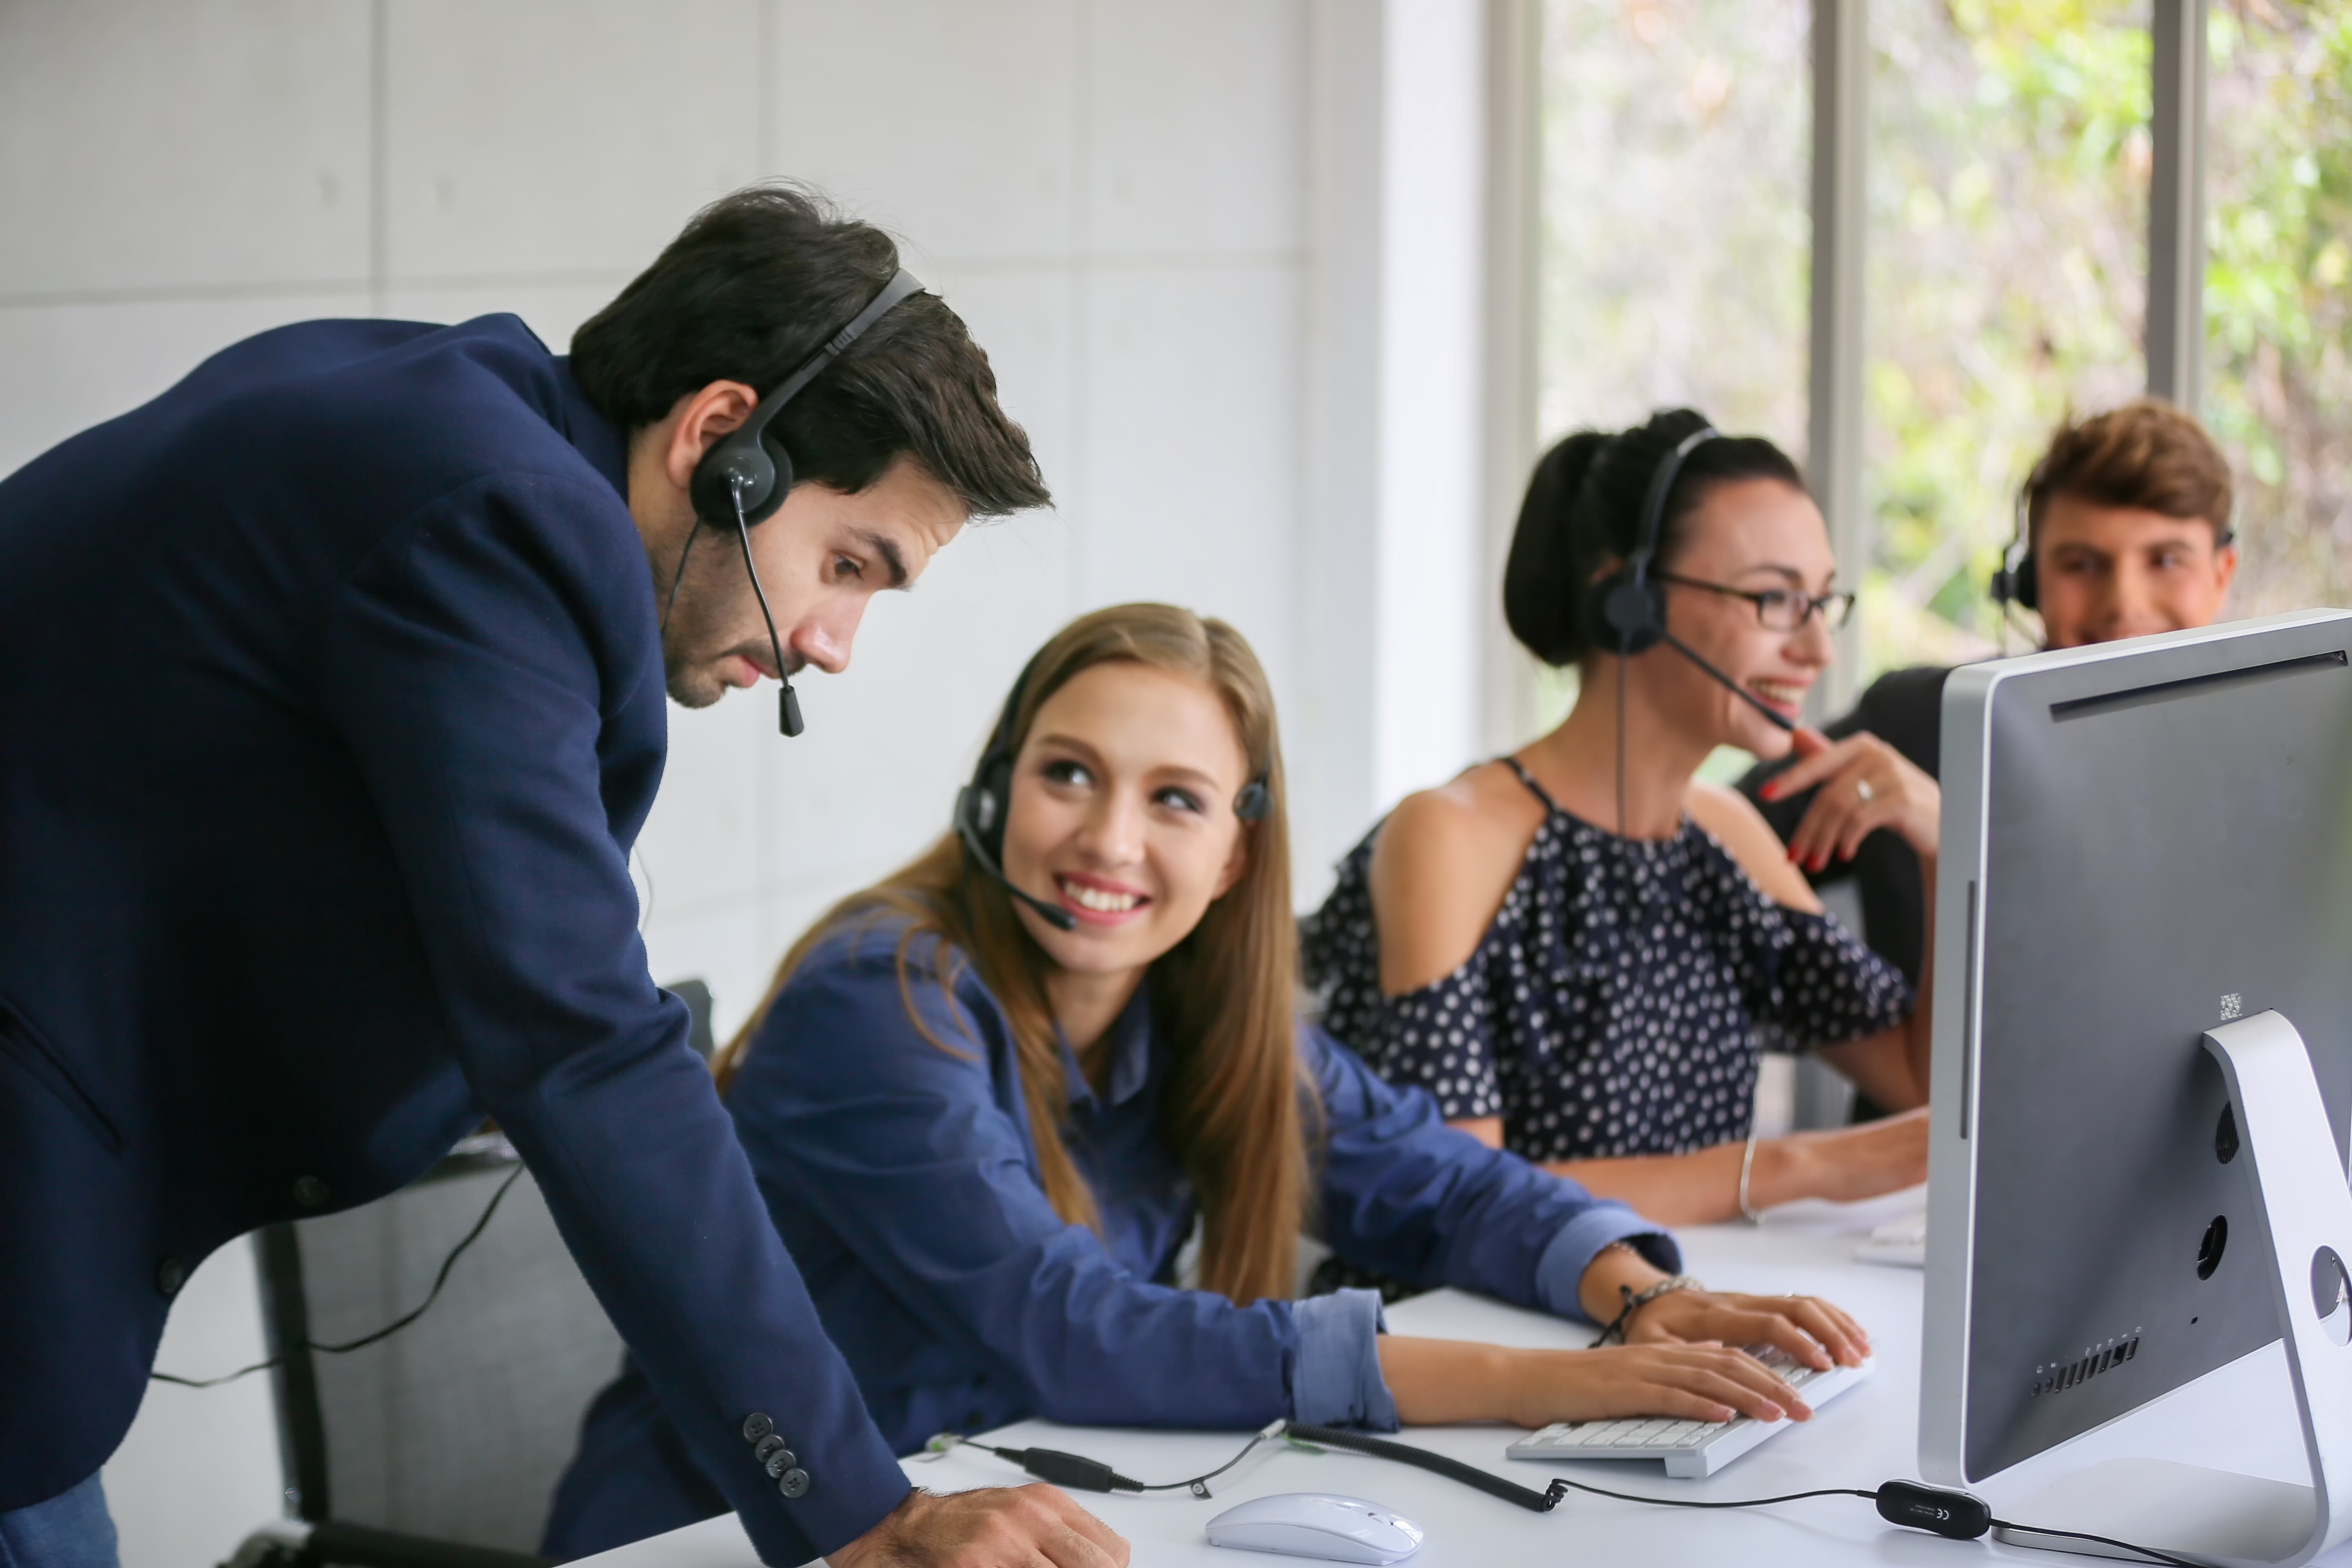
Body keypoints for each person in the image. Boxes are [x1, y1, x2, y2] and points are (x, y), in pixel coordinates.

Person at [0, 184, 1127, 1568]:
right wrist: (857, 1507)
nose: (833, 640)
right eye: (845, 563)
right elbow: (580, 1032)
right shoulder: (494, 512)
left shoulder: (435, 405)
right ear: (721, 440)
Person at [541, 603, 1878, 1558]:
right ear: (997, 793)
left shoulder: (1188, 1011)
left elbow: (1436, 1178)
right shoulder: (878, 996)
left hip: (1010, 1509)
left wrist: (1640, 1295)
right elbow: (1068, 1324)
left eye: (1176, 797)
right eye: (1068, 774)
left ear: (1237, 855)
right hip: (731, 1535)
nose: (1108, 837)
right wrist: (1540, 1384)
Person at [1304, 409, 1938, 1229]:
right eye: (1776, 599)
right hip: (1493, 1332)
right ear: (1628, 600)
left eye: (1824, 601)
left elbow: (1921, 1086)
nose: (1818, 648)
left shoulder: (1728, 835)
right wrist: (1797, 1164)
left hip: (1677, 1318)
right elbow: (1466, 1202)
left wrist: (1946, 847)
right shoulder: (1450, 836)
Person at [1739, 398, 2238, 996]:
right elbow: (1699, 856)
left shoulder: (2283, 762)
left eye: (2165, 560)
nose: (2123, 602)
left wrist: (1963, 850)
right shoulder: (1921, 724)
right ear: (2027, 586)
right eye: (2081, 563)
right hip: (1924, 1093)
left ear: (2221, 574)